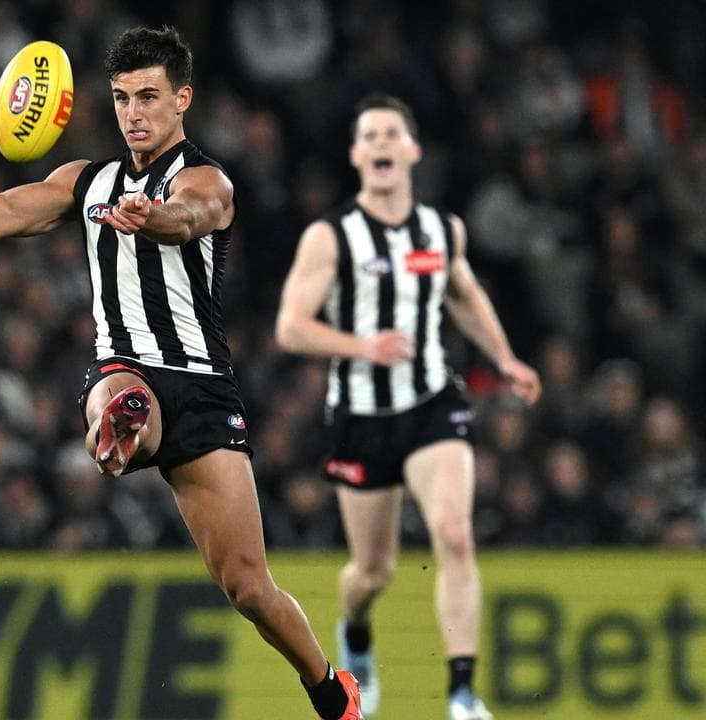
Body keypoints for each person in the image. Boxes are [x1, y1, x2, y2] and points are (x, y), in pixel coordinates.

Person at [0, 26, 361, 720]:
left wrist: (152, 218)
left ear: (182, 99)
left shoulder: (206, 179)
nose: (133, 112)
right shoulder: (86, 181)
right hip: (127, 368)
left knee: (248, 587)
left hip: (206, 388)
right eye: (123, 97)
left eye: (149, 97)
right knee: (122, 398)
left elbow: (191, 218)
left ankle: (332, 692)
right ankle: (118, 429)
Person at [274, 93, 541, 720]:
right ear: (356, 156)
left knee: (454, 533)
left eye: (392, 133)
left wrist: (505, 359)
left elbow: (465, 296)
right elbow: (291, 327)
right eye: (369, 136)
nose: (382, 144)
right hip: (362, 416)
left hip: (431, 403)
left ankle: (463, 694)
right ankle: (356, 636)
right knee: (373, 572)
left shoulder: (441, 231)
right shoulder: (331, 236)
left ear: (412, 150)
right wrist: (362, 345)